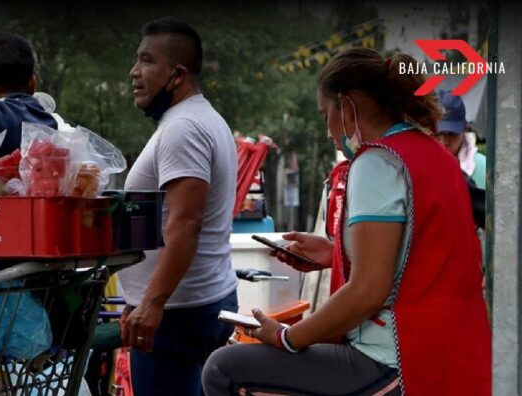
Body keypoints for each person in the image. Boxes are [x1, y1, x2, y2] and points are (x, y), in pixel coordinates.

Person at [202, 48, 490, 395]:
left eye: (326, 115)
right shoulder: (436, 156)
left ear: (348, 106)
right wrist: (334, 253)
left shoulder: (376, 163)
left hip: (397, 360)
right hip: (456, 352)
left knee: (223, 368)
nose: (327, 131)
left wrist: (287, 335)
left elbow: (368, 292)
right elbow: (420, 253)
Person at [118, 17, 238, 396]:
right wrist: (138, 296)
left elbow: (186, 223)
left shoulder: (183, 128)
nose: (134, 72)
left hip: (177, 315)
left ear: (177, 74)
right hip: (180, 306)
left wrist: (152, 302)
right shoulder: (189, 120)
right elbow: (156, 214)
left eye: (146, 61)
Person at [436, 90, 486, 229]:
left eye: (451, 134)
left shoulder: (483, 168)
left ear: (464, 129)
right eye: (437, 134)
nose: (444, 141)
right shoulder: (420, 168)